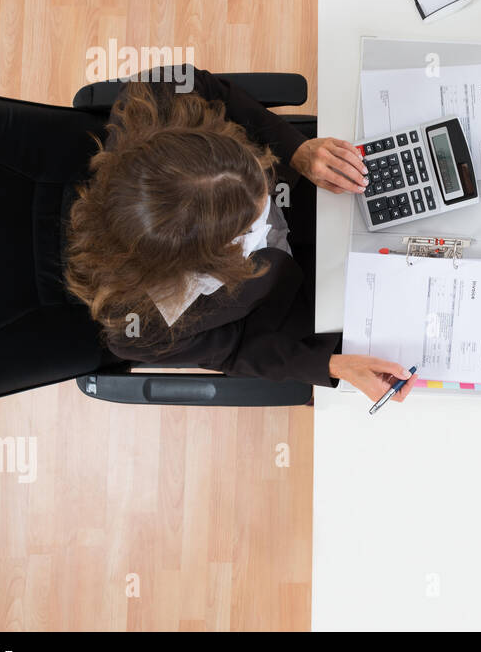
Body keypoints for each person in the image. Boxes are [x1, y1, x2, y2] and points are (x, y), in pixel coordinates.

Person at [65, 66, 417, 403]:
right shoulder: (139, 328)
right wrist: (332, 365)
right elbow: (234, 349)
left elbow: (203, 85)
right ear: (203, 261)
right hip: (292, 301)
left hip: (313, 191)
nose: (264, 205)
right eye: (248, 225)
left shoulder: (152, 98)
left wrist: (294, 149)